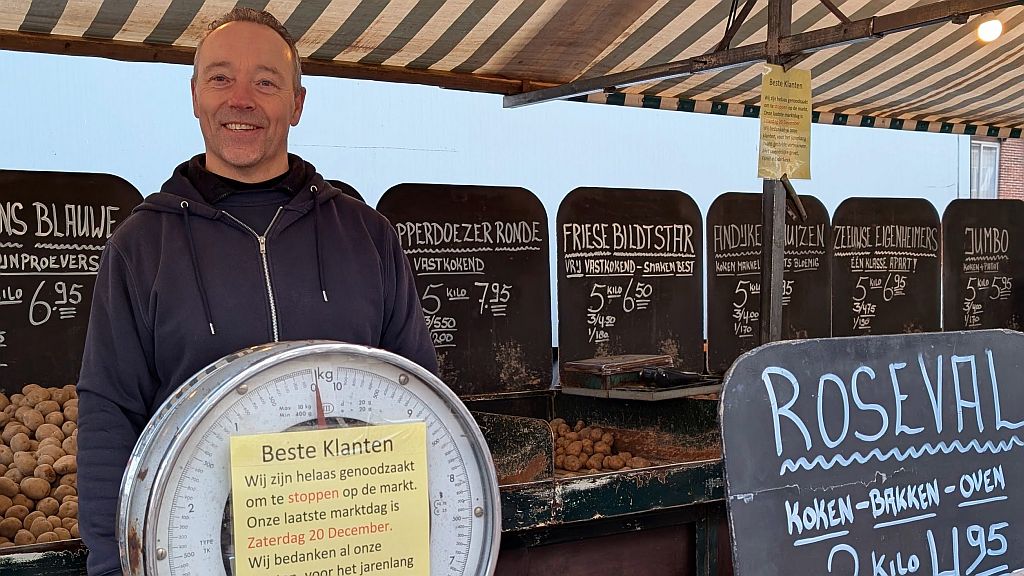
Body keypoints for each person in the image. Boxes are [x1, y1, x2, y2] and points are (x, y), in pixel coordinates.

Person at [76, 8, 437, 575]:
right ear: (195, 95)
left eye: (266, 82)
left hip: (358, 545)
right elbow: (110, 414)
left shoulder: (368, 236)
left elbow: (419, 397)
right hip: (197, 556)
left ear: (297, 103)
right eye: (220, 78)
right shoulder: (141, 246)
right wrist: (112, 564)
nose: (240, 99)